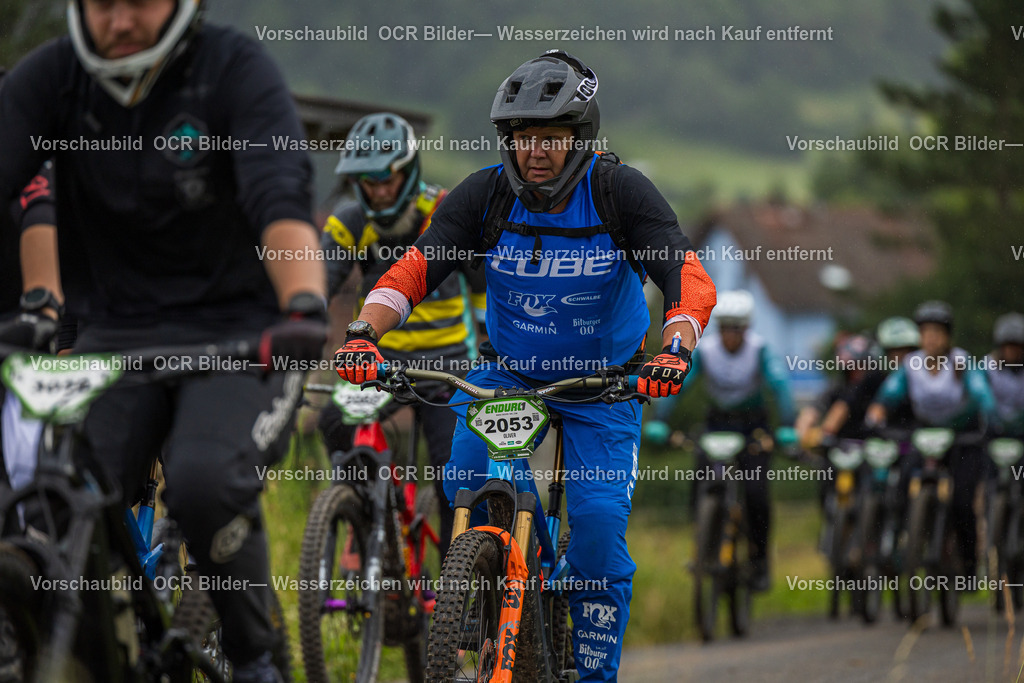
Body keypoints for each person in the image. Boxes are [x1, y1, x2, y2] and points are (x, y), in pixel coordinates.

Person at [335, 50, 716, 682]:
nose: (533, 152)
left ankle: (589, 665)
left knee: (594, 534)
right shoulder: (484, 195)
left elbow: (688, 278)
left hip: (605, 385)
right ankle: (490, 603)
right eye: (520, 138)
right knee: (462, 488)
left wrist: (673, 349)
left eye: (549, 138)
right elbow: (415, 268)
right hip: (505, 377)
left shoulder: (619, 192)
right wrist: (361, 333)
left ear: (580, 137)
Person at [0, 1, 326, 680]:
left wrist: (302, 305)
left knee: (204, 486)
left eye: (139, 2)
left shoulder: (234, 70)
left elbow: (279, 198)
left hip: (243, 334)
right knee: (57, 508)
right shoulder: (52, 79)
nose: (120, 21)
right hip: (114, 334)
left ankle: (256, 655)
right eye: (102, 4)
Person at [319, 111, 486, 558]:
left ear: (409, 171)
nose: (377, 190)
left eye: (386, 179)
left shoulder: (445, 211)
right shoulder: (349, 221)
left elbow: (483, 287)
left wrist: (491, 349)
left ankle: (459, 588)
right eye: (366, 181)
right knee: (332, 420)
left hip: (449, 368)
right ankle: (373, 514)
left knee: (458, 477)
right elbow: (321, 282)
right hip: (379, 363)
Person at [645, 289, 795, 591]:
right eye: (725, 327)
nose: (730, 335)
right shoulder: (706, 351)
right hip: (718, 423)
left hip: (753, 425)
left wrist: (788, 426)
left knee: (755, 493)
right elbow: (681, 384)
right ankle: (702, 541)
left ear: (746, 329)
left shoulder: (760, 350)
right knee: (701, 476)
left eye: (737, 328)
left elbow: (779, 386)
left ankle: (759, 559)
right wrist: (660, 419)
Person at [866, 301, 997, 583]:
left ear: (948, 336)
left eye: (937, 332)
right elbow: (889, 395)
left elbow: (980, 393)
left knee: (962, 501)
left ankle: (970, 564)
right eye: (925, 332)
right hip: (925, 436)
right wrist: (876, 414)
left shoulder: (961, 362)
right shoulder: (910, 366)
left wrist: (990, 418)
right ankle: (907, 545)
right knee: (900, 489)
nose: (931, 338)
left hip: (962, 438)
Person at [985, 313, 1024, 438]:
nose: (1012, 351)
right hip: (994, 430)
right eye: (1008, 346)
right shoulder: (988, 367)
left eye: (1016, 346)